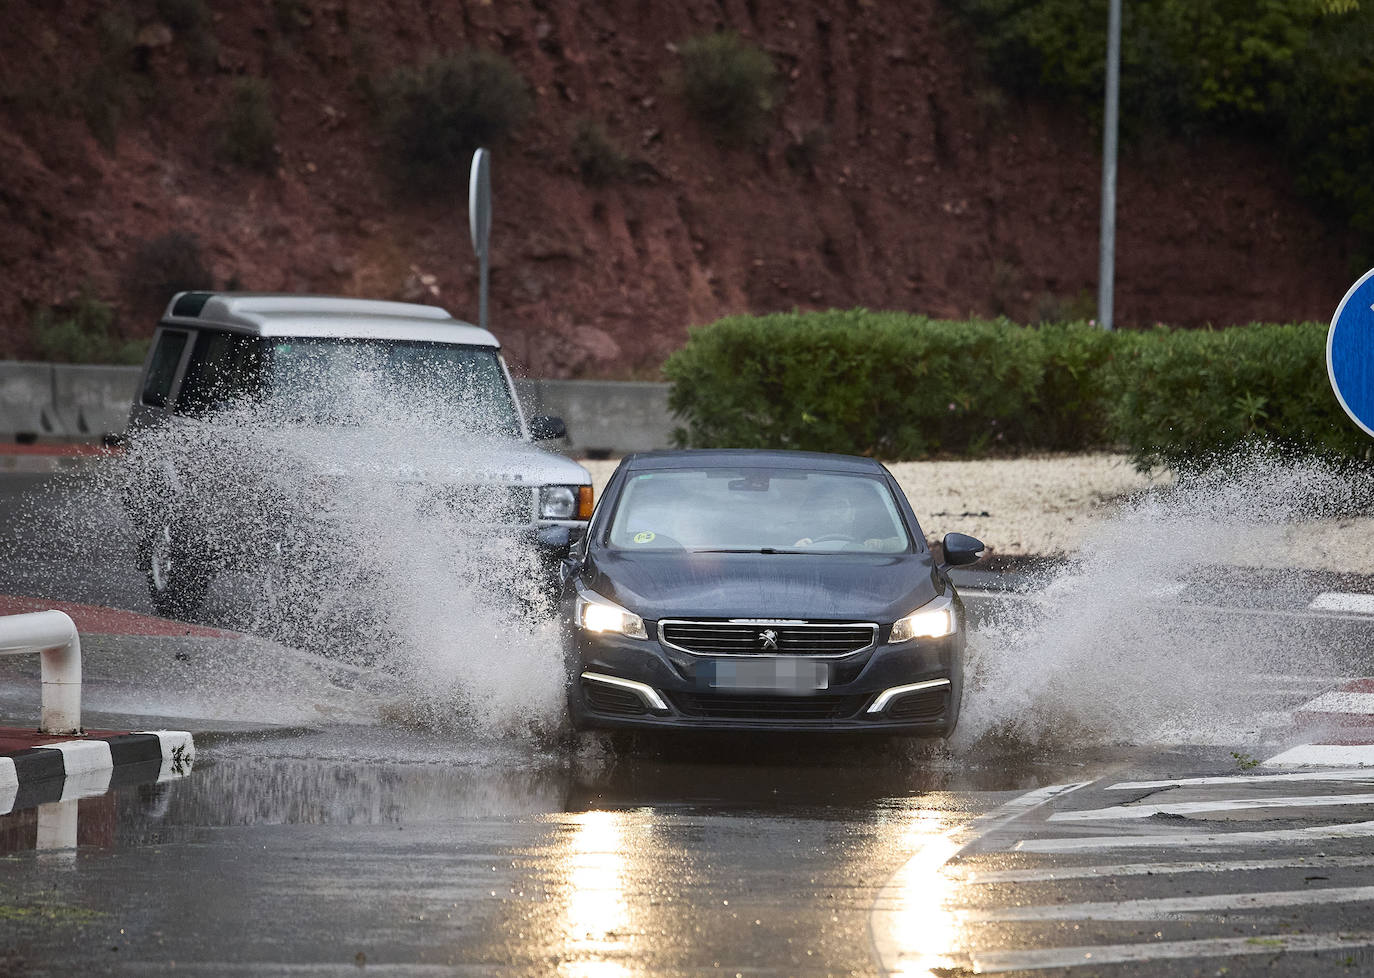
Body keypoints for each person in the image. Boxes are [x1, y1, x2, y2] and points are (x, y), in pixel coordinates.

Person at [794, 484, 902, 551]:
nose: (835, 513)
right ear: (816, 513)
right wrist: (794, 548)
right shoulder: (796, 534)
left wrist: (882, 544)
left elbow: (904, 545)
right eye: (827, 507)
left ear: (853, 513)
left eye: (841, 506)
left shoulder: (871, 534)